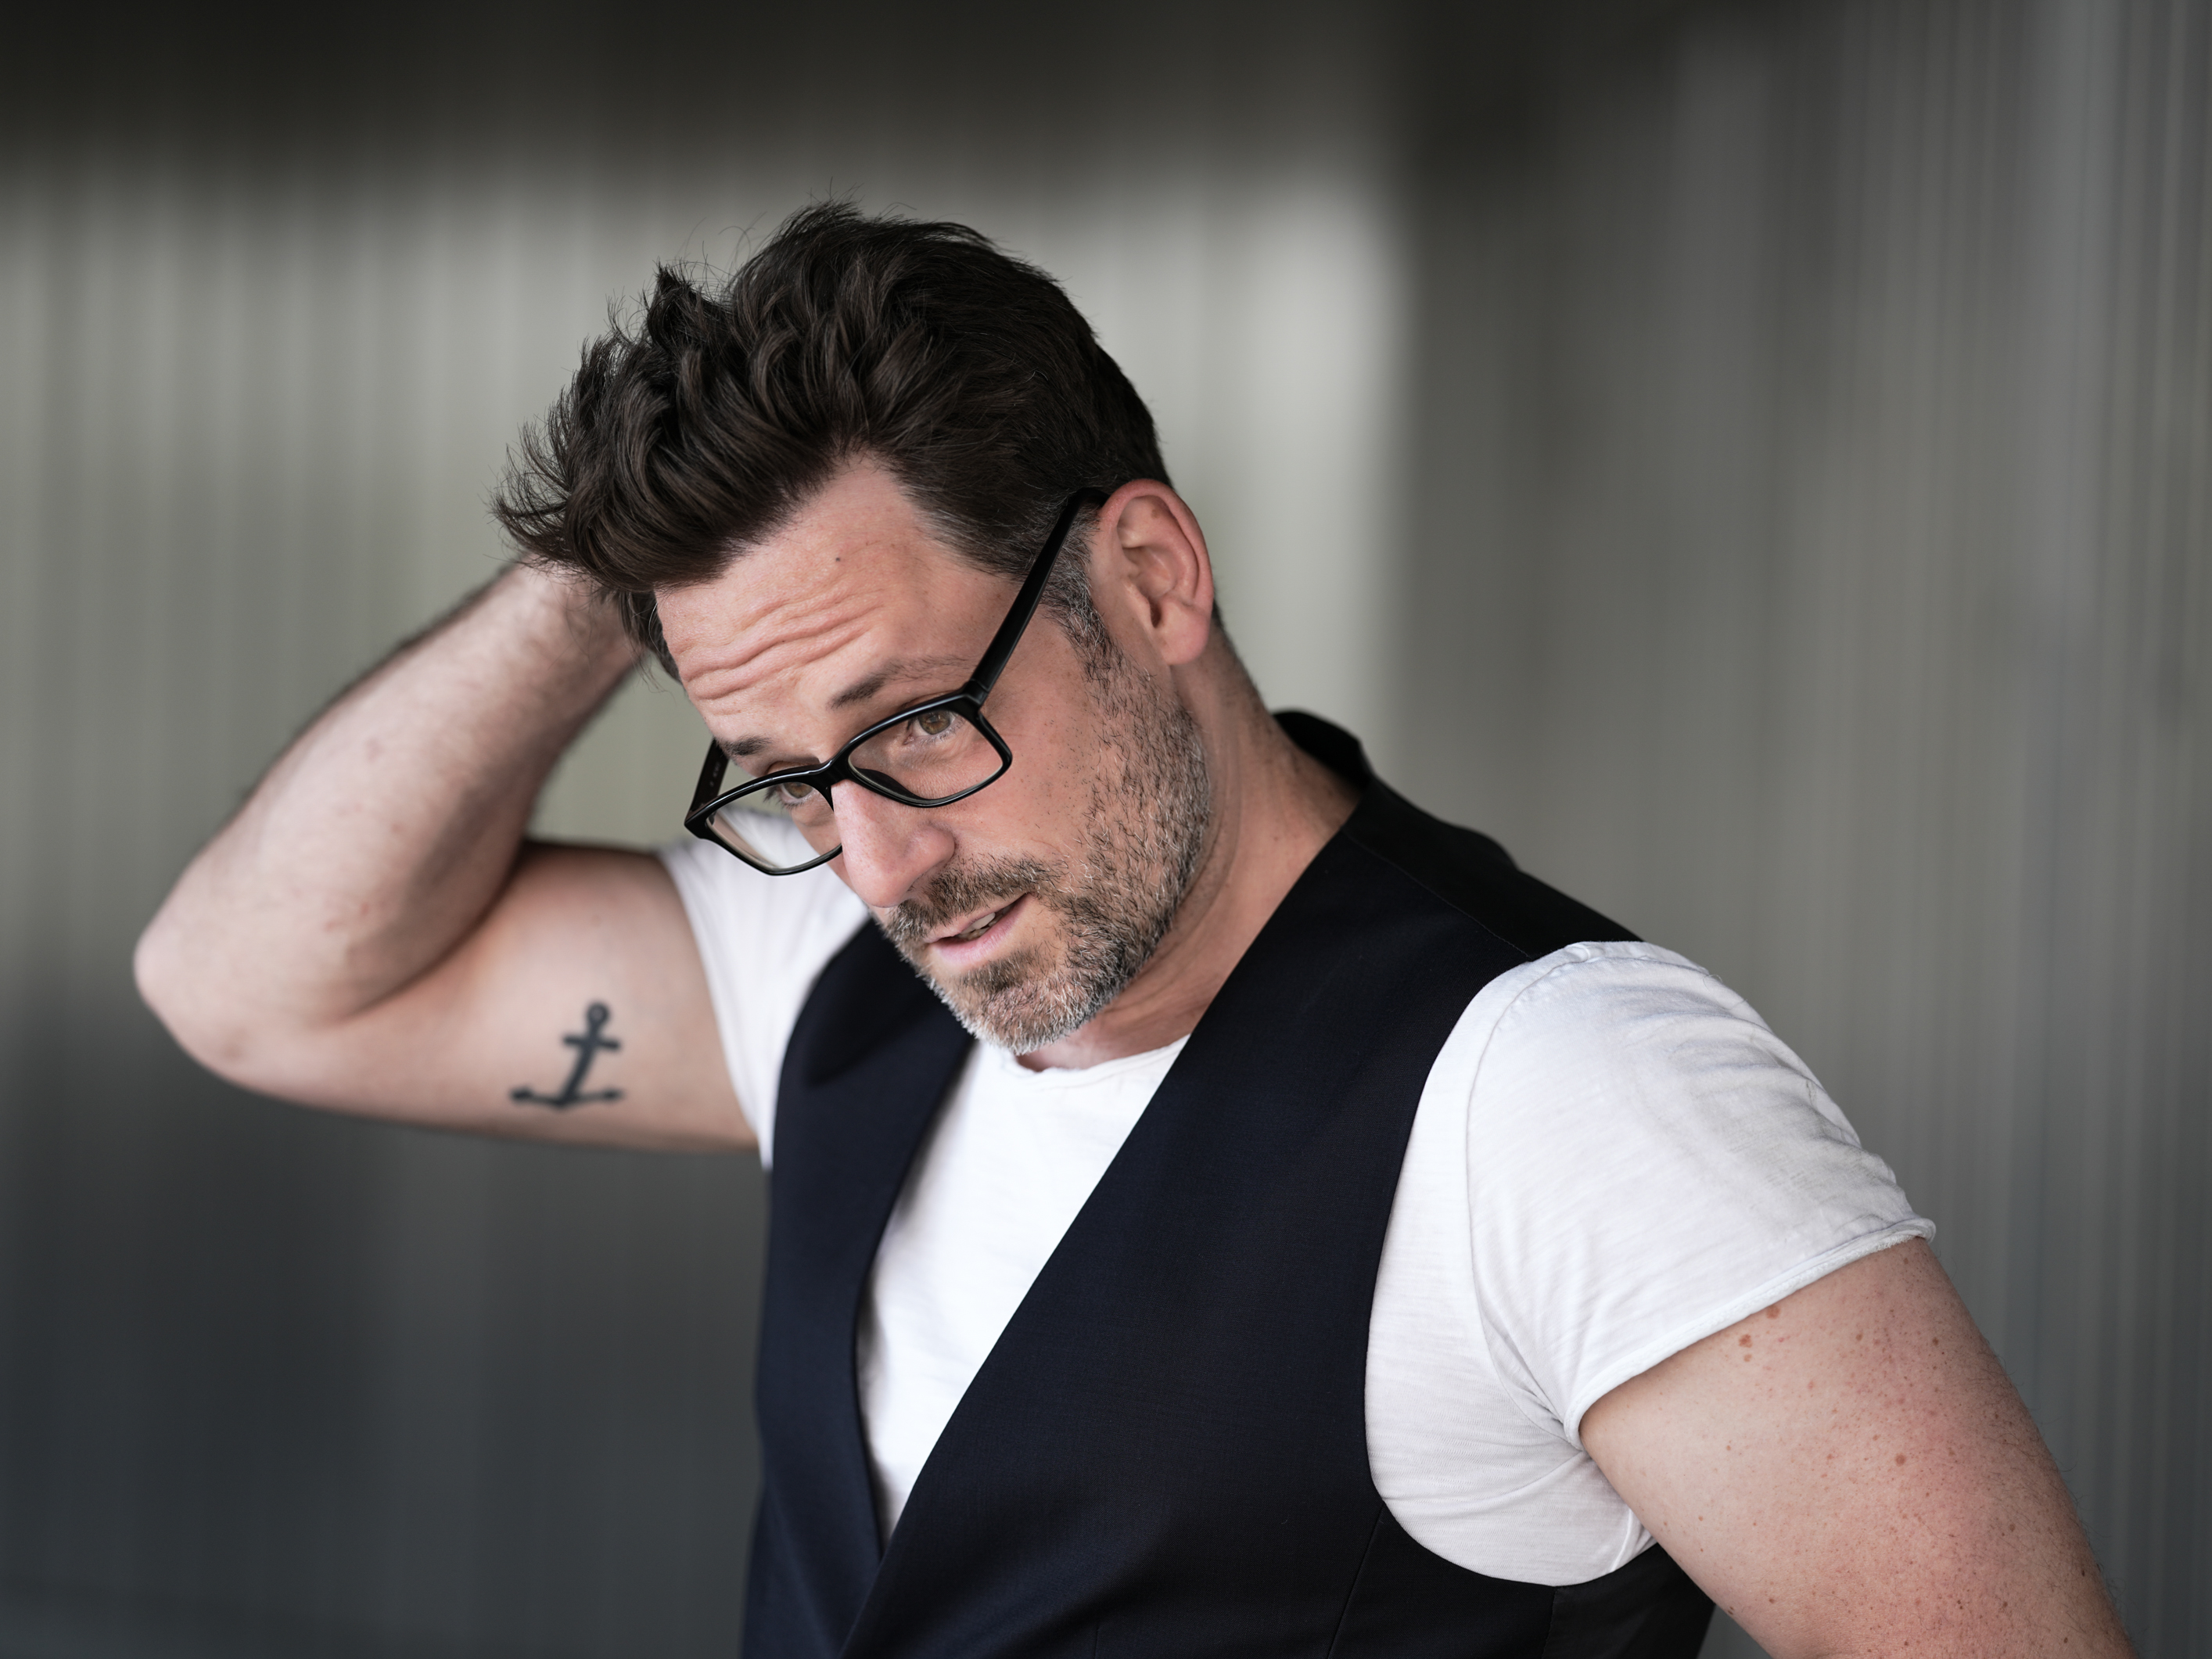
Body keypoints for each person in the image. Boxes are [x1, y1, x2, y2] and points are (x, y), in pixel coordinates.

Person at [136, 204, 2131, 1659]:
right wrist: (621, 555)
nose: (876, 862)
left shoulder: (1559, 1092)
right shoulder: (840, 962)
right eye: (783, 775)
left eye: (919, 720)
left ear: (1155, 575)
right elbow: (255, 990)